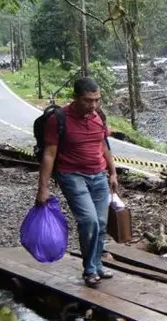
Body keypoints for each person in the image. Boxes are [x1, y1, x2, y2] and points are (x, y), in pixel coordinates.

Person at [35, 77, 118, 287]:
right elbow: (49, 155)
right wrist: (42, 188)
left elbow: (104, 146)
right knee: (89, 221)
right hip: (71, 175)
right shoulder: (59, 119)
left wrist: (113, 173)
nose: (93, 105)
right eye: (88, 101)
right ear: (76, 98)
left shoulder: (98, 115)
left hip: (98, 174)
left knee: (101, 223)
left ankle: (97, 265)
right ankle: (89, 269)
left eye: (97, 100)